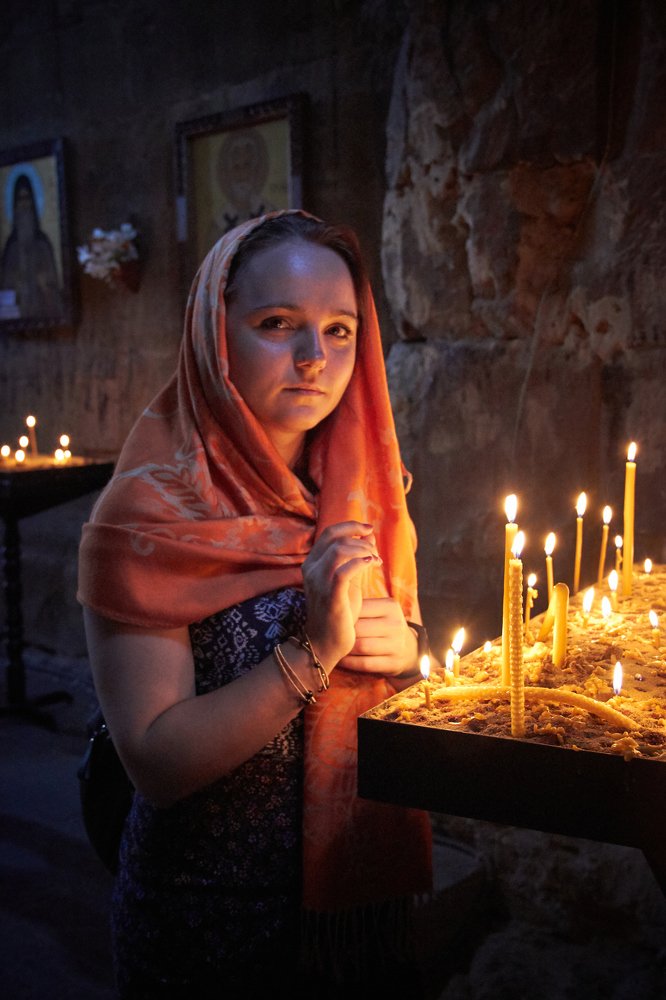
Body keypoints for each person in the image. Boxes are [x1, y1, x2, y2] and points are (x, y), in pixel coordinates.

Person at [77, 210, 433, 998]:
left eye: (340, 330)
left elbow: (404, 658)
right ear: (216, 333)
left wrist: (407, 653)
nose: (316, 359)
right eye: (279, 324)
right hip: (209, 919)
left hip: (359, 917)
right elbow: (157, 762)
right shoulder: (148, 519)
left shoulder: (365, 489)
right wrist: (313, 652)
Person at [0, 172, 61, 317]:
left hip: (42, 309)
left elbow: (54, 287)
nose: (24, 204)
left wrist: (44, 284)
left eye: (27, 198)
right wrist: (15, 284)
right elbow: (5, 288)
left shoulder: (43, 243)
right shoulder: (11, 247)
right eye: (20, 199)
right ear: (15, 203)